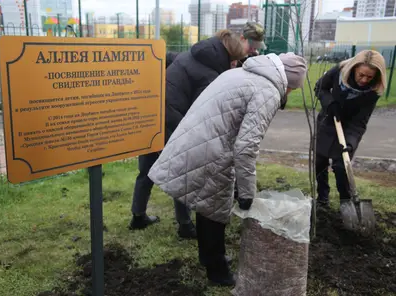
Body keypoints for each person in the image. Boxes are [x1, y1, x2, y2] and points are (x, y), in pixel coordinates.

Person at [148, 52, 307, 286]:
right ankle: (218, 272)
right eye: (292, 89)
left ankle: (210, 258)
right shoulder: (269, 91)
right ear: (289, 82)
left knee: (207, 206)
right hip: (212, 150)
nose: (289, 94)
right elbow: (246, 147)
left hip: (197, 140)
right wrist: (246, 194)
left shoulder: (240, 73)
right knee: (215, 212)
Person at [129, 30, 246, 239]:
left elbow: (169, 60)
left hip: (153, 115)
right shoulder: (210, 75)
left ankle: (138, 216)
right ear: (229, 56)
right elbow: (201, 110)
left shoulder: (193, 54)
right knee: (183, 172)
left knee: (146, 168)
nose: (236, 65)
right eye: (236, 61)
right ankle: (185, 226)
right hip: (174, 120)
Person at [314, 50, 387, 208]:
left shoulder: (372, 92)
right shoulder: (339, 71)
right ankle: (322, 198)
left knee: (342, 166)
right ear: (354, 68)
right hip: (328, 120)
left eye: (369, 77)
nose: (364, 80)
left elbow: (359, 122)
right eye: (361, 74)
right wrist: (330, 103)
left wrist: (350, 143)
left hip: (348, 129)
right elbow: (320, 87)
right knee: (319, 162)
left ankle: (345, 203)